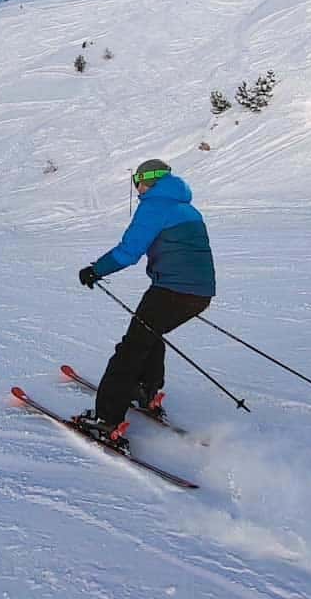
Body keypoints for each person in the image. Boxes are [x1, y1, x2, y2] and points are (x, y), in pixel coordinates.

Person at [75, 159, 215, 447]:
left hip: (171, 291)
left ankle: (106, 420)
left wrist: (95, 270)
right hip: (200, 294)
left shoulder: (155, 205)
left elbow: (129, 252)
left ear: (146, 180)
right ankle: (145, 390)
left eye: (136, 181)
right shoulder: (187, 207)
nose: (136, 187)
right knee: (149, 335)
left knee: (131, 351)